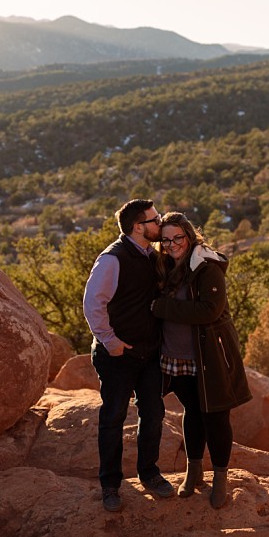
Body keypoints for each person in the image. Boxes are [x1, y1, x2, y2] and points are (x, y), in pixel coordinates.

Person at [150, 212, 252, 509]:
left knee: (216, 416)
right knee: (192, 411)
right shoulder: (164, 267)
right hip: (174, 357)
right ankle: (193, 471)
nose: (171, 244)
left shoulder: (207, 268)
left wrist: (162, 307)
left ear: (189, 236)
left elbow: (209, 311)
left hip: (208, 357)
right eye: (165, 240)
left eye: (177, 238)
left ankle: (220, 478)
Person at [83, 199, 176, 512]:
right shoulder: (112, 259)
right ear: (139, 227)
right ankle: (110, 485)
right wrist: (111, 342)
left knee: (154, 413)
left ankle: (149, 473)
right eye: (155, 219)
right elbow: (92, 304)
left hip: (148, 354)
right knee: (113, 418)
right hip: (117, 356)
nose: (160, 223)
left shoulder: (151, 255)